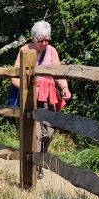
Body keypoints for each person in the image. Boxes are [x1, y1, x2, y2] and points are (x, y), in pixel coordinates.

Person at [10, 20, 72, 175]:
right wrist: (29, 91)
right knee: (35, 133)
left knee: (48, 132)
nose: (44, 43)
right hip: (30, 97)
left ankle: (40, 157)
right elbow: (14, 77)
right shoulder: (24, 51)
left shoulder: (52, 51)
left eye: (47, 40)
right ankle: (35, 167)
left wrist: (64, 87)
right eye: (41, 40)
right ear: (33, 39)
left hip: (48, 95)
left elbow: (58, 73)